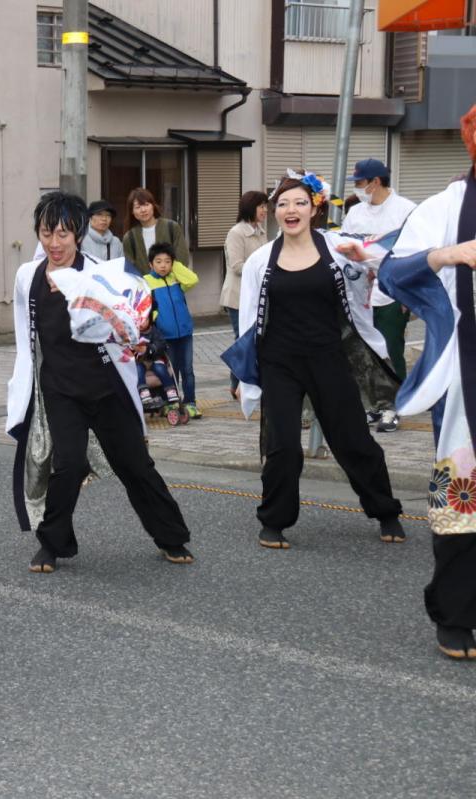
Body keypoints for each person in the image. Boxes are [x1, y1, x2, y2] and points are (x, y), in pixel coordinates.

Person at [7, 191, 194, 573]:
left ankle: (171, 536)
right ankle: (52, 544)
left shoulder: (100, 272)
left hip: (107, 386)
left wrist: (98, 301)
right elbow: (25, 337)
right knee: (68, 465)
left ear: (77, 234)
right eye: (46, 233)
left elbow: (133, 322)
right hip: (59, 387)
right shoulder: (28, 276)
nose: (54, 243)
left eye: (63, 234)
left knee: (135, 465)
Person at [223, 170, 404, 550]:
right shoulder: (260, 261)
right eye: (283, 204)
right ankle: (273, 522)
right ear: (274, 212)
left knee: (353, 439)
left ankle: (385, 510)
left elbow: (387, 263)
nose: (291, 210)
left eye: (299, 203)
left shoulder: (338, 248)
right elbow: (248, 324)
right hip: (278, 362)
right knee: (282, 445)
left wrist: (367, 257)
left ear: (314, 208)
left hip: (328, 356)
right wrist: (243, 377)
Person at [378, 103, 476, 659]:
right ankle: (457, 613)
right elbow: (393, 271)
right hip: (466, 371)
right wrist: (445, 255)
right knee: (462, 495)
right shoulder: (446, 206)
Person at [342, 158, 418, 433]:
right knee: (364, 350)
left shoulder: (406, 210)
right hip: (360, 292)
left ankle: (396, 407)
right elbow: (345, 247)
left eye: (361, 183)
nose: (359, 189)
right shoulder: (355, 214)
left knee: (391, 348)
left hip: (392, 291)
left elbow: (414, 253)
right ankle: (375, 404)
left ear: (375, 182)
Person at [142, 242, 200, 418]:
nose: (163, 265)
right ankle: (170, 403)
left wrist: (176, 266)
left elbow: (193, 279)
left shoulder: (177, 278)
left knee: (188, 370)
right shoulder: (146, 282)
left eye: (167, 261)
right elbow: (146, 309)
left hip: (185, 332)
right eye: (158, 261)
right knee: (170, 371)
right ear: (151, 264)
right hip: (164, 336)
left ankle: (190, 402)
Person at [222, 191, 270, 399]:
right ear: (250, 207)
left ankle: (242, 383)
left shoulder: (261, 231)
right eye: (261, 206)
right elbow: (236, 265)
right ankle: (237, 385)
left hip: (257, 295)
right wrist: (263, 270)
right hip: (238, 296)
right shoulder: (236, 232)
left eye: (266, 206)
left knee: (255, 340)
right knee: (242, 340)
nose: (265, 210)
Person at [121, 188, 190, 272]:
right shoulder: (129, 237)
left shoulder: (171, 227)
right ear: (132, 211)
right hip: (145, 284)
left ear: (153, 205)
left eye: (146, 205)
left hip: (171, 282)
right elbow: (130, 268)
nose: (143, 210)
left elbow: (182, 258)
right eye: (138, 207)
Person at [135, 316, 186, 426]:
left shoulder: (154, 331)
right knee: (138, 370)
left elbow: (161, 344)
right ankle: (144, 392)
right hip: (140, 361)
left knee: (161, 369)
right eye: (140, 321)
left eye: (145, 320)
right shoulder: (133, 333)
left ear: (149, 320)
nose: (143, 323)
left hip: (154, 359)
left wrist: (150, 348)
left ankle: (170, 390)